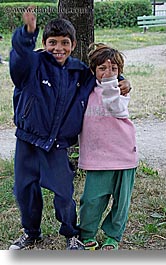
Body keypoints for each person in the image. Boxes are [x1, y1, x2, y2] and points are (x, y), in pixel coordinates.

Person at [9, 7, 131, 250]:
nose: (58, 48)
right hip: (28, 141)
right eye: (52, 42)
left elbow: (101, 76)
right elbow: (19, 56)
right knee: (25, 190)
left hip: (57, 145)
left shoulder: (79, 72)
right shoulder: (32, 65)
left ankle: (70, 234)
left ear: (73, 44)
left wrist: (121, 81)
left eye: (65, 43)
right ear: (44, 43)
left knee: (64, 194)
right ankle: (31, 232)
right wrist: (27, 33)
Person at [78, 43, 138, 250]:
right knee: (91, 200)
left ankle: (114, 234)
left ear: (120, 71)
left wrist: (116, 82)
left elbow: (116, 108)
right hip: (96, 156)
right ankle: (86, 232)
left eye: (113, 68)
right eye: (102, 68)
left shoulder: (121, 91)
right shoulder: (85, 90)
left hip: (124, 153)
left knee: (121, 202)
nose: (108, 73)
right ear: (93, 69)